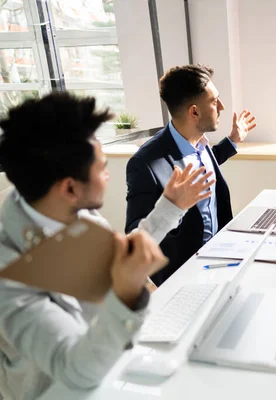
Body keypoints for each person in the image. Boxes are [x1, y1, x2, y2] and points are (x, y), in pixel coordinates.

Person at [0, 92, 215, 400]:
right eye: (102, 168)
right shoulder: (9, 272)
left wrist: (170, 207)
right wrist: (127, 296)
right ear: (70, 188)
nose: (108, 175)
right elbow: (74, 371)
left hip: (114, 367)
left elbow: (119, 258)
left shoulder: (66, 208)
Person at [125, 64, 256, 286]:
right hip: (182, 277)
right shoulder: (145, 162)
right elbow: (134, 230)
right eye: (215, 101)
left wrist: (232, 141)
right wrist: (172, 206)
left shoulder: (199, 143)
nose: (222, 107)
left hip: (219, 259)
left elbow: (200, 166)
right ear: (194, 112)